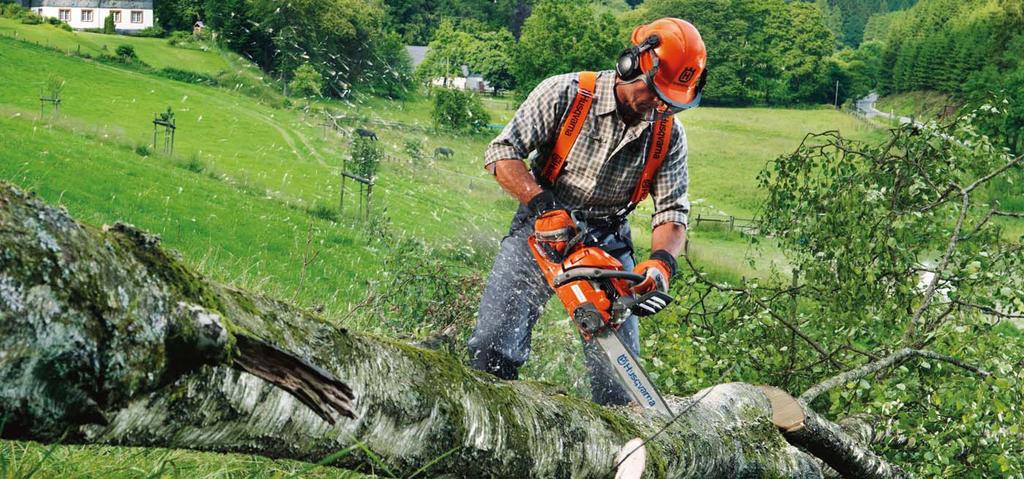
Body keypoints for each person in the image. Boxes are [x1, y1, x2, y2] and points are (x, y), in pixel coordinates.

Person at [467, 18, 707, 406]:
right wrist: (543, 206)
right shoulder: (566, 94)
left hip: (609, 240)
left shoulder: (668, 134)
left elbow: (672, 212)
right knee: (493, 344)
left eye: (671, 100)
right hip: (541, 227)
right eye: (656, 92)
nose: (660, 106)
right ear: (631, 63)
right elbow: (502, 152)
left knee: (620, 380)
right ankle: (487, 415)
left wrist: (661, 264)